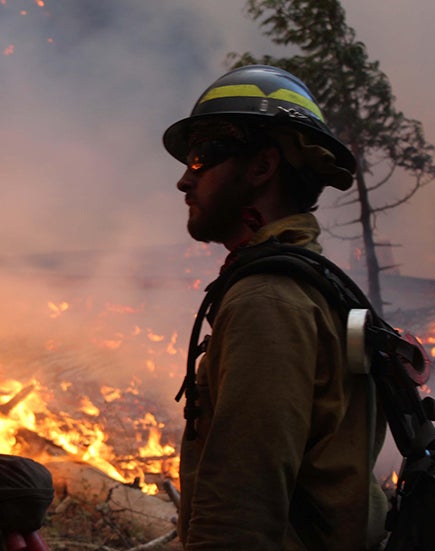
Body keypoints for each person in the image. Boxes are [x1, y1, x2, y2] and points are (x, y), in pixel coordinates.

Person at [161, 65, 388, 549]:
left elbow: (240, 512)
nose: (184, 180)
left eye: (201, 158)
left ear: (262, 168)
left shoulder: (268, 301)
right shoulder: (312, 284)